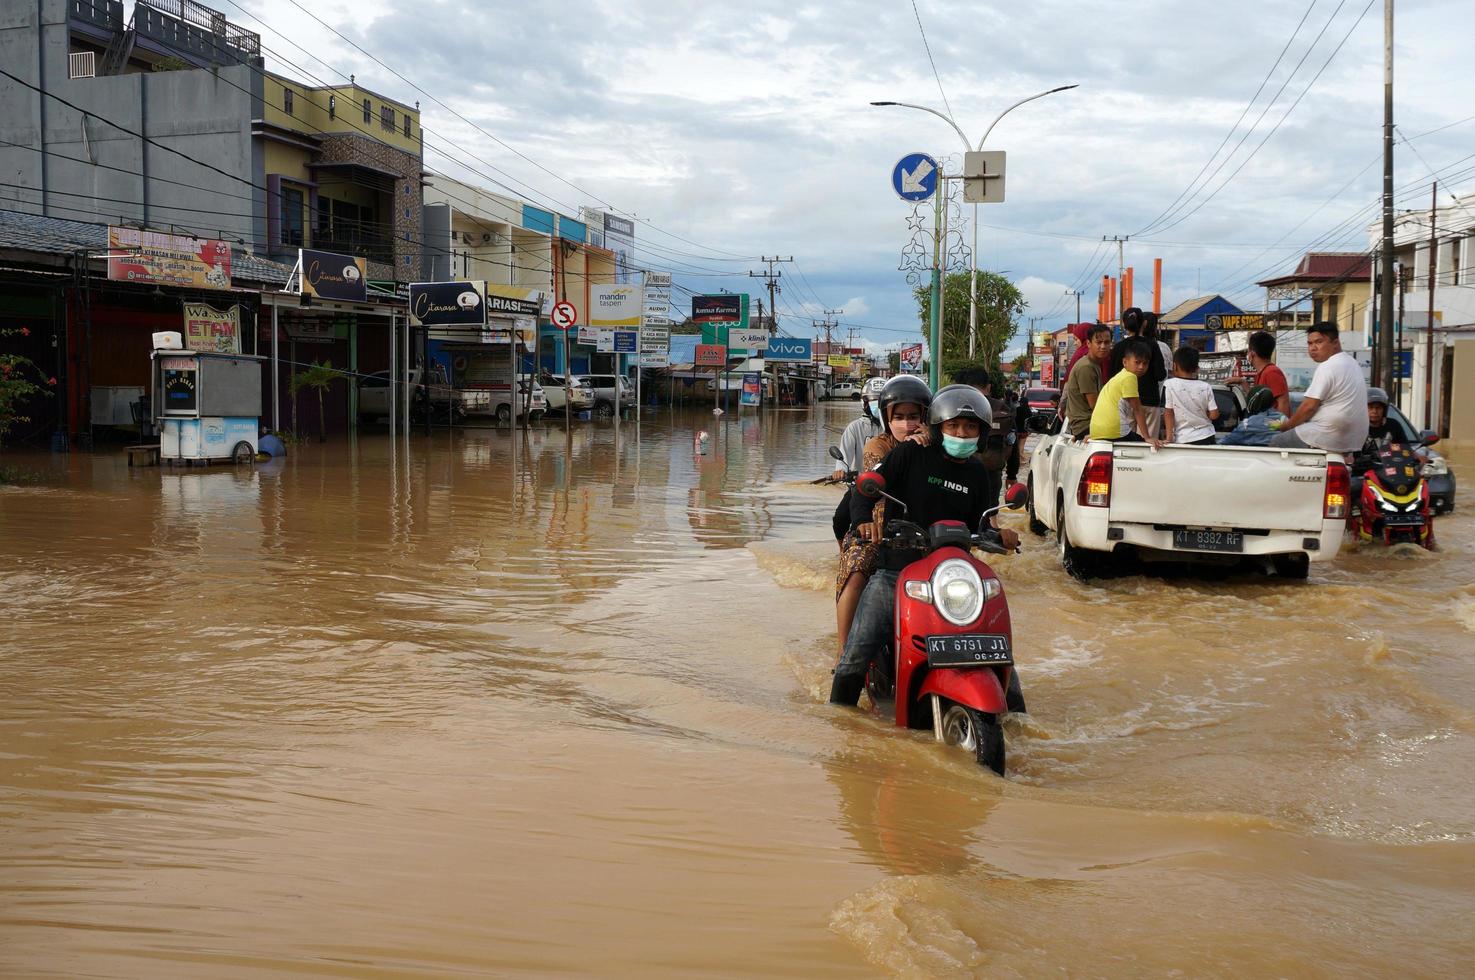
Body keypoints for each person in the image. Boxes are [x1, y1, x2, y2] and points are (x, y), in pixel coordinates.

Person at [830, 385, 1021, 706]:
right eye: (954, 426)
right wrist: (864, 521)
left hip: (952, 574)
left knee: (1002, 655)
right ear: (938, 427)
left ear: (982, 432)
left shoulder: (977, 473)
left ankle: (1017, 721)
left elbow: (981, 525)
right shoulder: (909, 453)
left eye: (970, 427)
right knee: (856, 652)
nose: (962, 433)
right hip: (897, 570)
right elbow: (865, 490)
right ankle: (838, 720)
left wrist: (1000, 535)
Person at [834, 376, 932, 659]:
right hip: (877, 524)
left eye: (913, 416)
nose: (906, 423)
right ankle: (845, 653)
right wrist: (911, 447)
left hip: (922, 528)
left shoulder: (936, 447)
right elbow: (872, 492)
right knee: (857, 569)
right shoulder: (877, 446)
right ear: (887, 418)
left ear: (925, 416)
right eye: (898, 417)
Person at [1269, 323, 1369, 454]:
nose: (1312, 348)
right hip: (1353, 440)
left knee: (1275, 443)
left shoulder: (1328, 366)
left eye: (1319, 342)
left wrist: (1287, 426)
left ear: (1336, 343)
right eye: (1310, 344)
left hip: (1326, 434)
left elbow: (1309, 407)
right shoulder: (1352, 363)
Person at [1091, 338, 1162, 448]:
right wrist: (1147, 437)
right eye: (1137, 362)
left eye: (1145, 363)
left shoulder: (1120, 376)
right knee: (1144, 445)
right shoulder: (1130, 377)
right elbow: (1137, 409)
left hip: (1097, 431)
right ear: (1125, 362)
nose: (1141, 367)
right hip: (1114, 430)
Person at [955, 368, 1011, 506]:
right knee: (991, 514)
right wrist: (1012, 475)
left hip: (959, 471)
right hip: (992, 473)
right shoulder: (1001, 407)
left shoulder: (957, 405)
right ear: (988, 387)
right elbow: (1011, 442)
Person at [1108, 308, 1168, 438]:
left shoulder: (1118, 348)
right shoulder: (1152, 345)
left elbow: (1111, 377)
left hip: (1125, 401)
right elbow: (1160, 375)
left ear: (1124, 325)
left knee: (1126, 442)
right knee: (1149, 445)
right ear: (1144, 324)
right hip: (1149, 401)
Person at [1060, 324, 1113, 439]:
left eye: (1107, 342)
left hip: (1090, 424)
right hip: (1087, 426)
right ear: (1088, 343)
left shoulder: (1095, 364)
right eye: (1099, 342)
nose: (1103, 346)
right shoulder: (1086, 367)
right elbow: (1095, 405)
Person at [1163, 347, 1220, 445]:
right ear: (1197, 369)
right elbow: (1214, 415)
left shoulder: (1169, 385)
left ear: (1174, 366)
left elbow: (1168, 413)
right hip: (1207, 436)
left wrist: (1169, 437)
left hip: (1184, 438)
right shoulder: (1206, 386)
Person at [1227, 330, 1291, 415]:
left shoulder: (1272, 373)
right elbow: (1256, 400)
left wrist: (1278, 427)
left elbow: (1283, 404)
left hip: (1271, 426)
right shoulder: (1263, 372)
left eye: (1248, 351)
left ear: (1252, 354)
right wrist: (1242, 382)